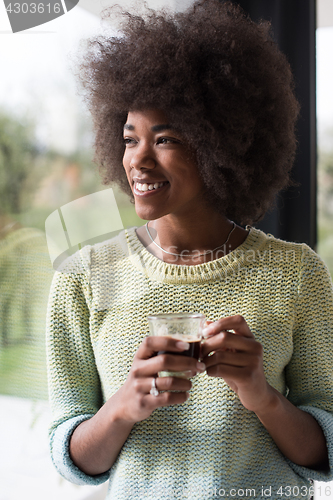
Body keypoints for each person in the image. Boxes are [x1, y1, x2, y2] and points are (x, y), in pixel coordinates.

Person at [46, 1, 333, 498]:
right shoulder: (84, 277)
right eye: (129, 138)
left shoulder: (296, 273)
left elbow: (325, 451)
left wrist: (261, 395)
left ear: (221, 145)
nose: (138, 160)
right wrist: (123, 407)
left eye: (166, 139)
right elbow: (70, 457)